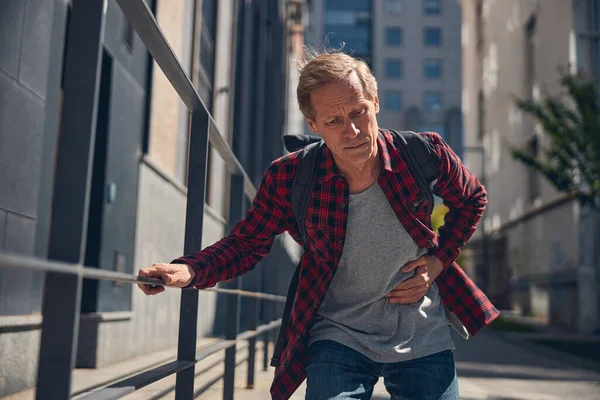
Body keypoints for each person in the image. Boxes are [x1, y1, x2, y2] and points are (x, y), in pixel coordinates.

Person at [138, 50, 499, 400]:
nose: (353, 130)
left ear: (375, 102)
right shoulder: (291, 177)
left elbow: (471, 199)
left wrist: (438, 262)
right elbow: (247, 244)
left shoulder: (423, 153)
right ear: (313, 125)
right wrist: (188, 270)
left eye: (358, 112)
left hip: (422, 333)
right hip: (338, 334)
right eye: (334, 121)